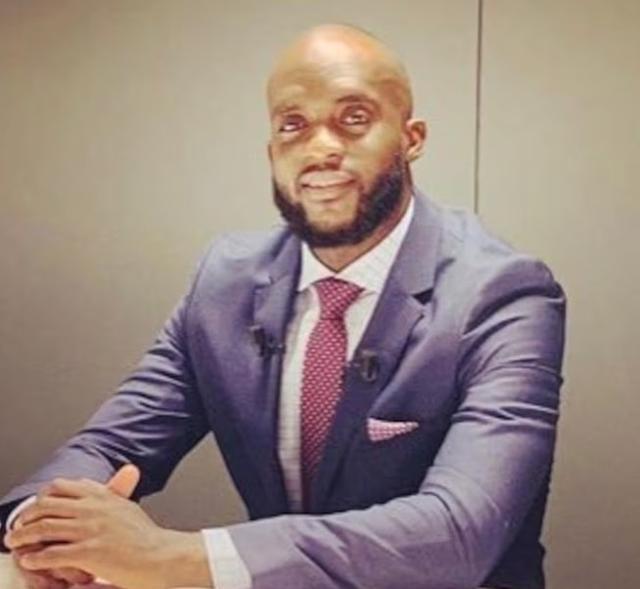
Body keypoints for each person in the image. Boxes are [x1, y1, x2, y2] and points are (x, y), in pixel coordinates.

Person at [1, 23, 566, 589]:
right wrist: (46, 532)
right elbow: (112, 445)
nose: (319, 148)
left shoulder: (503, 294)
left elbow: (459, 534)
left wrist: (170, 558)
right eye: (293, 125)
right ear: (272, 151)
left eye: (354, 118)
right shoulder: (224, 282)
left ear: (411, 137)